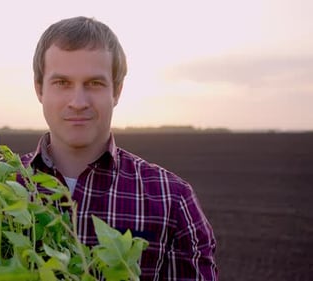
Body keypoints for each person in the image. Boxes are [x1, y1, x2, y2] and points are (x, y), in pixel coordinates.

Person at [21, 16, 218, 280]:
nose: (78, 101)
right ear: (39, 90)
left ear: (117, 91)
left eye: (94, 83)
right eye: (62, 83)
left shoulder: (171, 201)